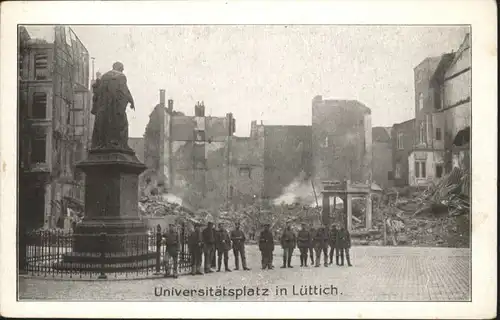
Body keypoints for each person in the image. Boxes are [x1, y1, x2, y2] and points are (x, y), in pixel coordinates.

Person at [90, 61, 135, 150]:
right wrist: (131, 101)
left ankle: (104, 143)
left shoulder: (105, 76)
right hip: (115, 108)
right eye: (122, 69)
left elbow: (98, 92)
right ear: (120, 68)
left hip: (104, 109)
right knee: (123, 125)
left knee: (105, 127)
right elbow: (124, 91)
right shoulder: (121, 76)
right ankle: (120, 144)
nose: (122, 71)